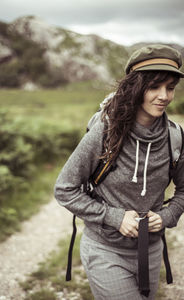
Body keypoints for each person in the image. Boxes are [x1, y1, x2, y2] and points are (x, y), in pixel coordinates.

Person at [54, 44, 184, 300]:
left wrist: (168, 214)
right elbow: (64, 189)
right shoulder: (106, 131)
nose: (164, 96)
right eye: (154, 86)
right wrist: (114, 217)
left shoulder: (175, 137)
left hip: (151, 251)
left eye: (170, 87)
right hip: (105, 250)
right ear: (135, 87)